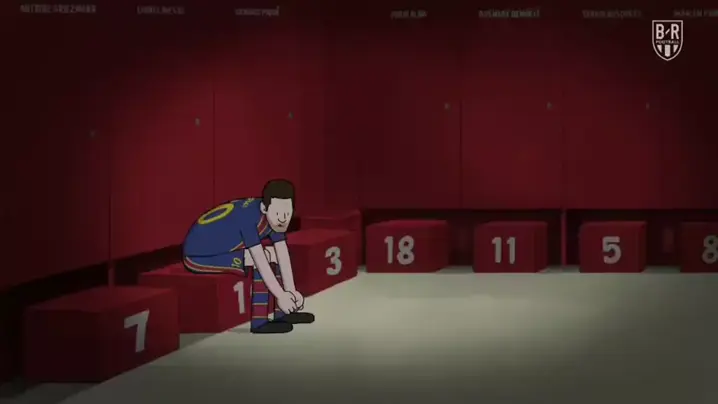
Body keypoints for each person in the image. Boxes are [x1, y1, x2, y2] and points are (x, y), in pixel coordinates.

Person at [182, 179, 314, 334]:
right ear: (264, 208)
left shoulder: (273, 213)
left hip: (223, 249)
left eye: (287, 213)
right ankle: (259, 322)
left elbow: (282, 251)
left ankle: (283, 313)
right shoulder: (249, 218)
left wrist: (291, 292)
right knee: (263, 257)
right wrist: (280, 295)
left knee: (273, 254)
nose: (283, 218)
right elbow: (259, 258)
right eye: (279, 214)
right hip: (198, 257)